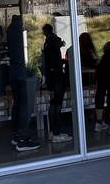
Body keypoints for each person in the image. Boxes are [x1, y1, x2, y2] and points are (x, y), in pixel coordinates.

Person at [6, 15, 40, 153]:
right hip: (24, 73)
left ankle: (17, 135)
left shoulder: (10, 30)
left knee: (18, 105)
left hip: (14, 73)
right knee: (26, 107)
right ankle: (23, 139)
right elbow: (29, 54)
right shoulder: (22, 31)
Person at [41, 23, 72, 143]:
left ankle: (52, 132)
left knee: (53, 103)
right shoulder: (53, 41)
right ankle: (56, 132)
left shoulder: (47, 42)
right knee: (57, 104)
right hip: (57, 77)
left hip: (50, 77)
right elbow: (56, 60)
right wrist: (62, 62)